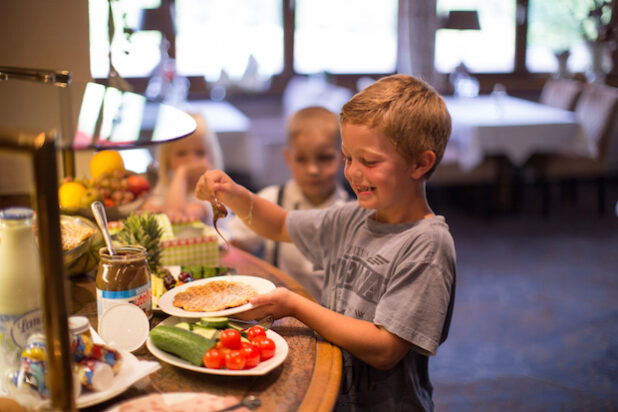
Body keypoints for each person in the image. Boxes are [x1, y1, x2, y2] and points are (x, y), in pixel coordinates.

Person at [195, 74, 456, 411]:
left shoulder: (427, 245)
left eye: (370, 161)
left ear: (420, 163)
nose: (353, 172)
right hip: (336, 392)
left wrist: (296, 305)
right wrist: (232, 192)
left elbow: (384, 348)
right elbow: (278, 223)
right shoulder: (350, 217)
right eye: (348, 158)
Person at [227, 106, 350, 301]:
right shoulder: (271, 199)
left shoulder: (351, 211)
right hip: (280, 318)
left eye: (324, 158)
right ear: (288, 158)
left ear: (343, 156)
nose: (313, 169)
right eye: (302, 159)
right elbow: (229, 242)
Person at [141, 112, 224, 223]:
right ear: (166, 159)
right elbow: (145, 211)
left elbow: (176, 216)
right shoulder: (165, 187)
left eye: (200, 153)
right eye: (181, 153)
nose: (191, 160)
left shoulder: (212, 194)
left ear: (212, 156)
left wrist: (182, 172)